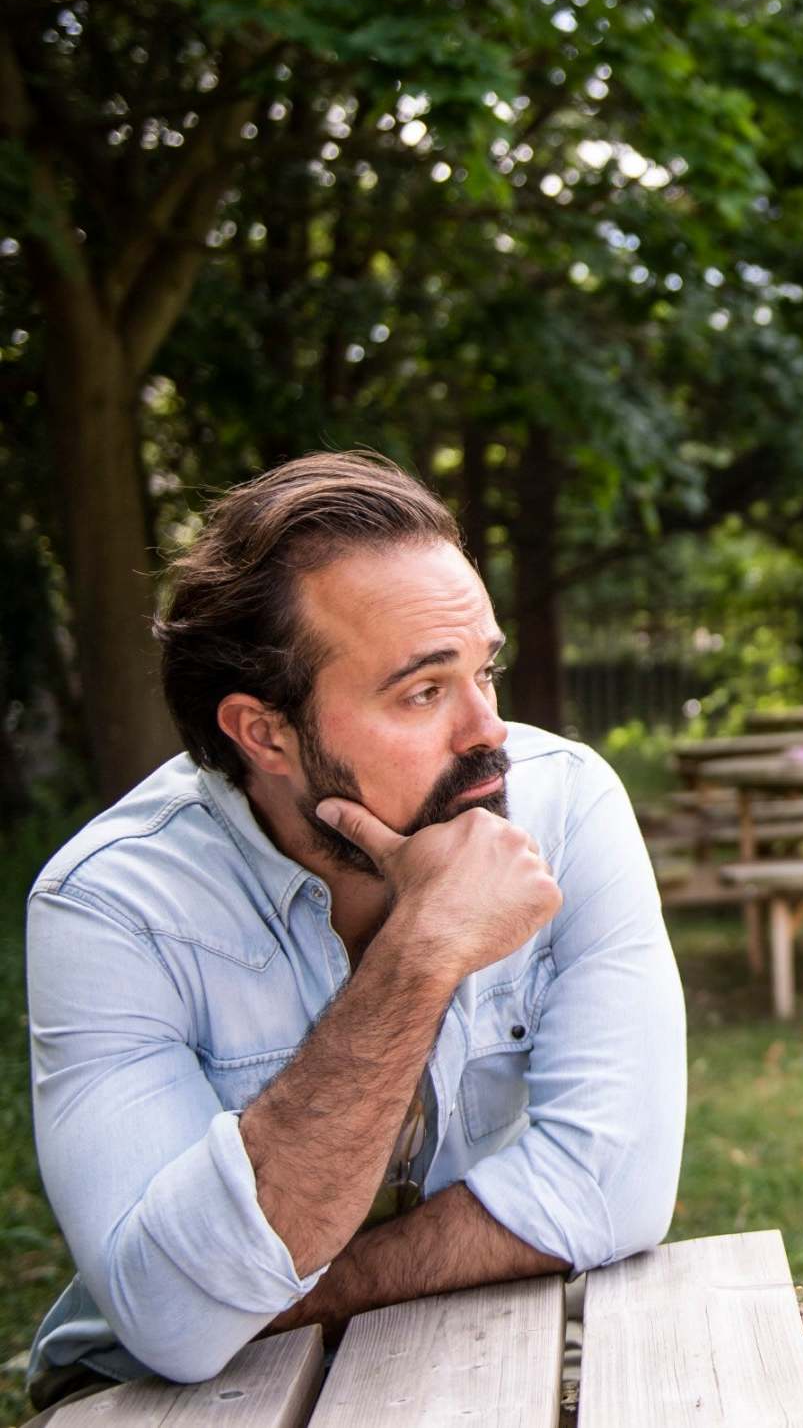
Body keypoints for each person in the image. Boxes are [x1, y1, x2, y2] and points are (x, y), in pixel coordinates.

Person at [23, 452, 686, 1405]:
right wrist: (422, 952)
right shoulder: (111, 904)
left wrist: (261, 1298)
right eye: (423, 692)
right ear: (265, 733)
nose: (488, 730)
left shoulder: (568, 804)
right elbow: (168, 1322)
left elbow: (612, 1188)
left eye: (484, 670)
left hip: (464, 1348)